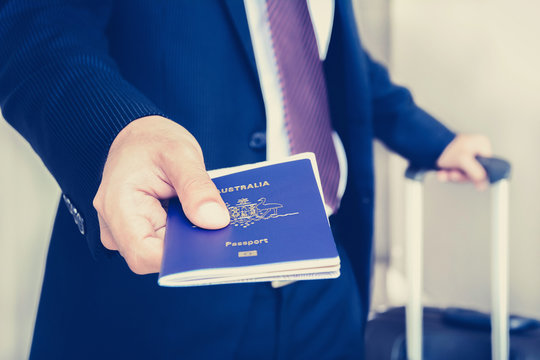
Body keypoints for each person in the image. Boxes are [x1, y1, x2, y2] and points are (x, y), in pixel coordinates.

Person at [0, 0, 492, 359]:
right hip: (170, 284)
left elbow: (327, 58)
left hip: (326, 279)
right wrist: (115, 132)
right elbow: (36, 25)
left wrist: (432, 139)